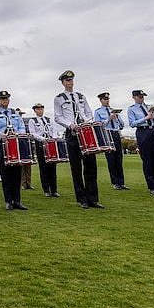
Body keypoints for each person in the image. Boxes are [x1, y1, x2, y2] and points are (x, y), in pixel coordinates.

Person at [53, 70, 102, 209]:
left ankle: (93, 199)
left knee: (91, 166)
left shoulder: (81, 96)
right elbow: (57, 117)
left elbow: (88, 112)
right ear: (63, 82)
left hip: (85, 132)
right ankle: (82, 199)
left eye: (71, 80)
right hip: (72, 133)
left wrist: (86, 121)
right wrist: (70, 124)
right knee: (76, 167)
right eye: (67, 80)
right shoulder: (59, 98)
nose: (70, 82)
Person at [0, 91, 27, 211]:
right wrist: (0, 134)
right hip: (1, 144)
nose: (5, 100)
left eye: (6, 98)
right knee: (5, 173)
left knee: (17, 173)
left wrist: (18, 133)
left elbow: (22, 127)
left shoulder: (15, 113)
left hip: (15, 144)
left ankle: (17, 201)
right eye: (2, 99)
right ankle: (8, 201)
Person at [128, 89, 154, 196]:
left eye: (143, 96)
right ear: (134, 97)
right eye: (139, 97)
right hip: (142, 132)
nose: (142, 98)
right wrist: (146, 118)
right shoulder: (131, 109)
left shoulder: (150, 107)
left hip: (153, 131)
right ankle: (152, 187)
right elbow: (132, 123)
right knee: (148, 160)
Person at [94, 93, 128, 190]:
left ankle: (121, 182)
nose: (107, 101)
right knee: (111, 160)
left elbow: (122, 125)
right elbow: (98, 125)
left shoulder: (113, 110)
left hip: (116, 133)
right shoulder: (98, 111)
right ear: (100, 100)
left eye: (108, 99)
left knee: (119, 159)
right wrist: (108, 119)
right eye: (105, 99)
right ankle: (115, 183)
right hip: (107, 135)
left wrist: (117, 118)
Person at [28, 103, 59, 197]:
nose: (40, 110)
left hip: (50, 144)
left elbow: (54, 130)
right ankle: (46, 189)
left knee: (52, 167)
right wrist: (43, 139)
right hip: (41, 144)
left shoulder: (48, 120)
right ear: (35, 111)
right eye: (38, 109)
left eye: (41, 109)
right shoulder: (32, 121)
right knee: (43, 167)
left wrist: (53, 138)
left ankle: (54, 190)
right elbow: (33, 133)